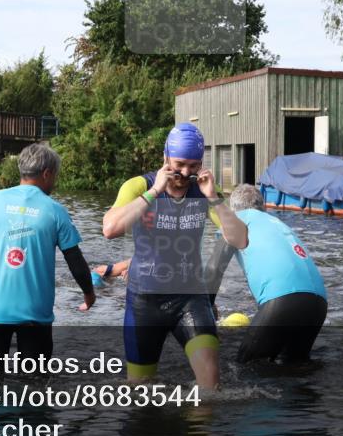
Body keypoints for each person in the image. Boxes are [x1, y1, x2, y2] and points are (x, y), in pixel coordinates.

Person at [102, 123, 247, 389]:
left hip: (191, 298)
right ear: (165, 157)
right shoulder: (138, 186)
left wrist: (213, 197)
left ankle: (198, 429)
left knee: (211, 384)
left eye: (194, 165)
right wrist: (154, 191)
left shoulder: (203, 192)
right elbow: (110, 229)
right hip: (144, 302)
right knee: (140, 391)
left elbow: (240, 239)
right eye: (179, 163)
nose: (185, 172)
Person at [0, 143, 96, 369]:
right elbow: (76, 262)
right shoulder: (55, 211)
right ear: (47, 173)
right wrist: (88, 293)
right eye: (55, 176)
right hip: (36, 314)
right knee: (35, 386)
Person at [204, 184, 328, 364]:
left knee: (247, 368)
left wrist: (206, 310)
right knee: (294, 368)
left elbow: (214, 269)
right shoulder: (278, 223)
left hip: (283, 300)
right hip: (318, 304)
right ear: (264, 207)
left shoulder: (235, 221)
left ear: (232, 209)